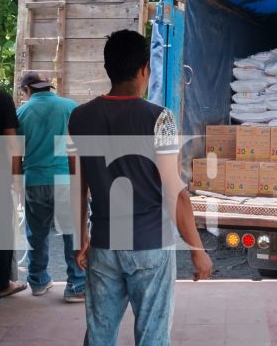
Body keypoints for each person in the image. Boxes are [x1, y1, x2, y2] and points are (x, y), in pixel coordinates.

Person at [68, 30, 212, 346]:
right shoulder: (160, 118)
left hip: (104, 245)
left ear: (108, 68)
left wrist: (82, 239)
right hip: (150, 244)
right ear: (145, 69)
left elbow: (78, 186)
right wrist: (198, 251)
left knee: (99, 336)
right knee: (152, 337)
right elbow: (174, 190)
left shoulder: (79, 118)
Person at [16, 72, 86, 302]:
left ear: (27, 90)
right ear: (49, 88)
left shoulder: (22, 113)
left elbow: (16, 153)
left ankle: (37, 281)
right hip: (65, 179)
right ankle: (76, 285)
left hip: (35, 180)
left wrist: (16, 182)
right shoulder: (70, 107)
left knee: (36, 233)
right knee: (72, 233)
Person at [0, 82, 27, 298]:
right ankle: (4, 283)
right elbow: (12, 143)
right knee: (2, 227)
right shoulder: (0, 98)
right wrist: (17, 177)